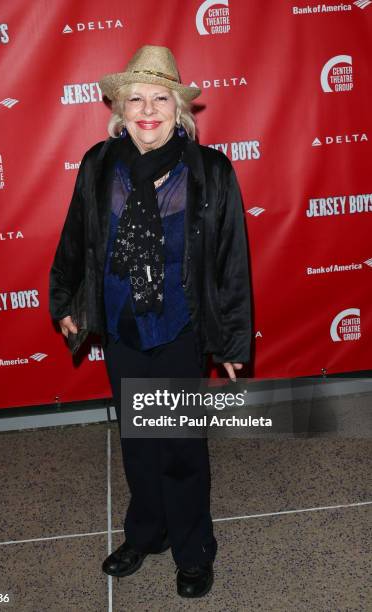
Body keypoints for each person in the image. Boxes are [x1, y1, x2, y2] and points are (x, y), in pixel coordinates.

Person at [49, 45, 251, 599]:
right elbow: (76, 237)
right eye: (135, 98)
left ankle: (193, 550)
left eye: (160, 98)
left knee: (181, 443)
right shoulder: (99, 164)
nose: (147, 109)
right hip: (122, 326)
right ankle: (147, 532)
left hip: (180, 327)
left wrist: (233, 337)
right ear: (118, 108)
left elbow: (230, 259)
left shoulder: (209, 172)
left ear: (179, 110)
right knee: (139, 441)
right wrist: (65, 298)